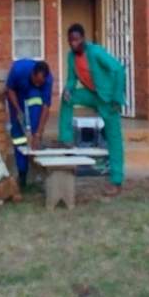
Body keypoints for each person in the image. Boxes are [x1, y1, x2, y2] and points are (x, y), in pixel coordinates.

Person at [58, 23, 125, 196]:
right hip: (92, 94)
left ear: (83, 38)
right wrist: (68, 89)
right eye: (70, 40)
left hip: (108, 98)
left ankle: (116, 182)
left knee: (114, 139)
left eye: (76, 39)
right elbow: (72, 79)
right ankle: (66, 138)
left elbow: (118, 69)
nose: (73, 43)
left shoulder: (95, 52)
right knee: (66, 99)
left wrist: (117, 98)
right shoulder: (71, 57)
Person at [5, 59, 53, 188]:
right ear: (32, 73)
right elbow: (9, 90)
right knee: (18, 136)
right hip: (17, 94)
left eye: (41, 83)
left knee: (36, 101)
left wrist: (38, 133)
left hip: (33, 97)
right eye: (36, 81)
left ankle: (37, 169)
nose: (38, 84)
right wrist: (18, 111)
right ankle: (22, 174)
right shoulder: (18, 70)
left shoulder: (47, 80)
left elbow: (46, 106)